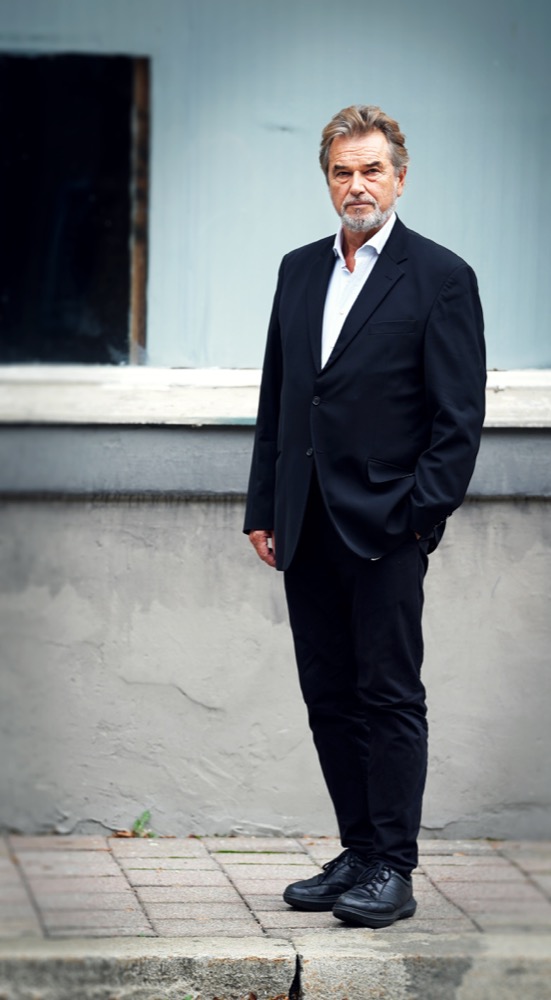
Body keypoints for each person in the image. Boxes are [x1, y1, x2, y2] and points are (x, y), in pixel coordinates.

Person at [243, 105, 486, 929]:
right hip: (303, 521)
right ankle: (356, 849)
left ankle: (392, 866)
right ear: (327, 180)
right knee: (328, 694)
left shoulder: (440, 276)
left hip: (386, 525)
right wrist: (263, 505)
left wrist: (417, 517)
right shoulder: (297, 270)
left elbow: (457, 420)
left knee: (387, 696)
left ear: (399, 178)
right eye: (342, 171)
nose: (357, 185)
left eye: (371, 170)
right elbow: (280, 399)